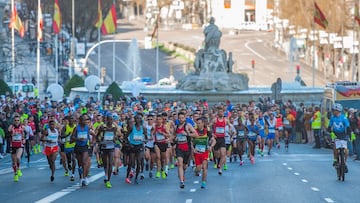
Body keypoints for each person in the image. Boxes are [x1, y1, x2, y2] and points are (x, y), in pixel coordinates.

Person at [173, 111, 198, 189]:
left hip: (187, 148)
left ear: (185, 118)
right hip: (179, 148)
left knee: (184, 165)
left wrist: (187, 134)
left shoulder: (188, 126)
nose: (181, 119)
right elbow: (173, 136)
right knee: (180, 164)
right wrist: (172, 139)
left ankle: (182, 173)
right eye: (179, 118)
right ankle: (181, 181)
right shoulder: (176, 127)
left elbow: (196, 135)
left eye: (182, 118)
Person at [96, 113, 118, 188]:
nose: (111, 121)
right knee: (106, 163)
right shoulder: (102, 127)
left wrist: (115, 139)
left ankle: (108, 180)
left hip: (111, 147)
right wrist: (100, 143)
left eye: (112, 119)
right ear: (106, 120)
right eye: (109, 119)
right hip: (104, 147)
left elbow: (115, 136)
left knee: (111, 163)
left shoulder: (114, 127)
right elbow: (97, 136)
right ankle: (106, 175)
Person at [193, 117, 215, 189]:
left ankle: (203, 182)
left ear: (203, 123)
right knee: (199, 168)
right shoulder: (194, 131)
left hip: (205, 152)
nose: (198, 125)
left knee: (205, 167)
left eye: (199, 123)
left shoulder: (207, 132)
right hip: (197, 153)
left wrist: (211, 146)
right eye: (197, 123)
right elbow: (190, 142)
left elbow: (213, 140)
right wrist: (193, 149)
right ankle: (196, 170)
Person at [71, 114, 93, 186]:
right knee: (80, 163)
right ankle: (81, 178)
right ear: (80, 121)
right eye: (84, 120)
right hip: (78, 146)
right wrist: (78, 139)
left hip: (85, 146)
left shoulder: (87, 127)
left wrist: (90, 142)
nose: (86, 121)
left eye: (86, 120)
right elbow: (72, 137)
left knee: (84, 162)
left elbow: (88, 136)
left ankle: (84, 177)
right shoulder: (76, 128)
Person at [328, 103, 351, 173]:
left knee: (346, 150)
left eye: (334, 110)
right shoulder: (332, 118)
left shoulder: (343, 118)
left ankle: (344, 163)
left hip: (343, 134)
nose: (333, 112)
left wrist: (349, 134)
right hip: (336, 134)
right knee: (335, 147)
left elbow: (347, 126)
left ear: (338, 111)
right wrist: (329, 132)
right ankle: (335, 159)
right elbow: (330, 126)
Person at [126, 113, 147, 184]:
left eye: (140, 118)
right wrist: (129, 144)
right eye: (137, 118)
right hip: (132, 146)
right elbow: (126, 137)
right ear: (135, 119)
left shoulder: (143, 128)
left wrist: (145, 140)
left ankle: (136, 178)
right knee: (131, 162)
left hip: (140, 146)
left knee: (139, 162)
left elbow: (146, 137)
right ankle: (127, 176)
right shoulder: (131, 127)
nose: (139, 120)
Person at [8, 116, 25, 182]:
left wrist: (23, 139)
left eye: (18, 120)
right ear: (13, 121)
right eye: (15, 120)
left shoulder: (22, 127)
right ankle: (15, 174)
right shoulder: (11, 127)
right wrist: (11, 132)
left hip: (19, 145)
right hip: (13, 145)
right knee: (13, 162)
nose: (17, 121)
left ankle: (18, 169)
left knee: (18, 158)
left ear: (20, 121)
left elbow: (23, 134)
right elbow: (8, 132)